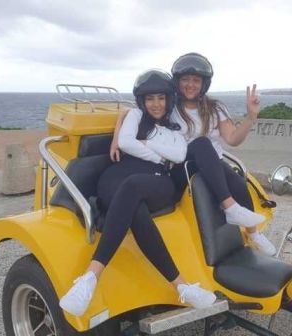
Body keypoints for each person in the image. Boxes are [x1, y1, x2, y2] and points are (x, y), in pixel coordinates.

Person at [59, 69, 217, 317]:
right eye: (150, 98)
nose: (156, 104)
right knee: (135, 209)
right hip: (116, 177)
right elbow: (125, 143)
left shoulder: (175, 130)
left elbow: (178, 155)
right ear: (142, 100)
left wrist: (147, 145)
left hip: (156, 180)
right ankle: (182, 286)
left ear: (169, 99)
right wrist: (158, 154)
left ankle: (91, 274)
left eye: (161, 98)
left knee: (133, 187)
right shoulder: (134, 115)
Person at [110, 53, 276, 257]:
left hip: (210, 162)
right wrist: (116, 138)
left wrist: (251, 117)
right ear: (177, 82)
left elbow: (232, 139)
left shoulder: (215, 108)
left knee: (238, 184)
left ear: (204, 84)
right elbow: (129, 111)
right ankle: (230, 207)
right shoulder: (170, 105)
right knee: (202, 144)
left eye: (196, 80)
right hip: (181, 163)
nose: (190, 85)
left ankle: (252, 233)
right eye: (185, 79)